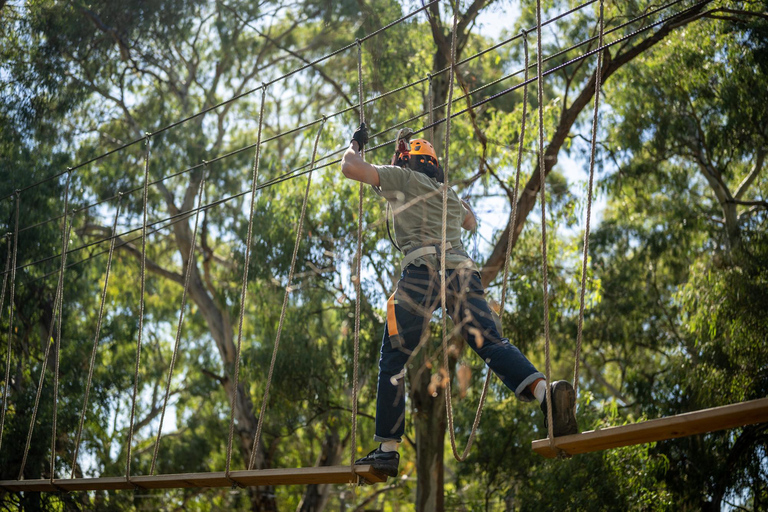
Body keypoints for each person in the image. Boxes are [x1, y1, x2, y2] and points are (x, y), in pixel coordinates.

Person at [340, 123, 578, 477]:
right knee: (492, 343)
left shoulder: (403, 178)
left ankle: (387, 450)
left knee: (394, 359)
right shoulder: (446, 194)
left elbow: (350, 166)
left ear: (408, 163)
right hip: (463, 276)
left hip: (422, 273)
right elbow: (470, 221)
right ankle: (545, 393)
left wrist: (357, 142)